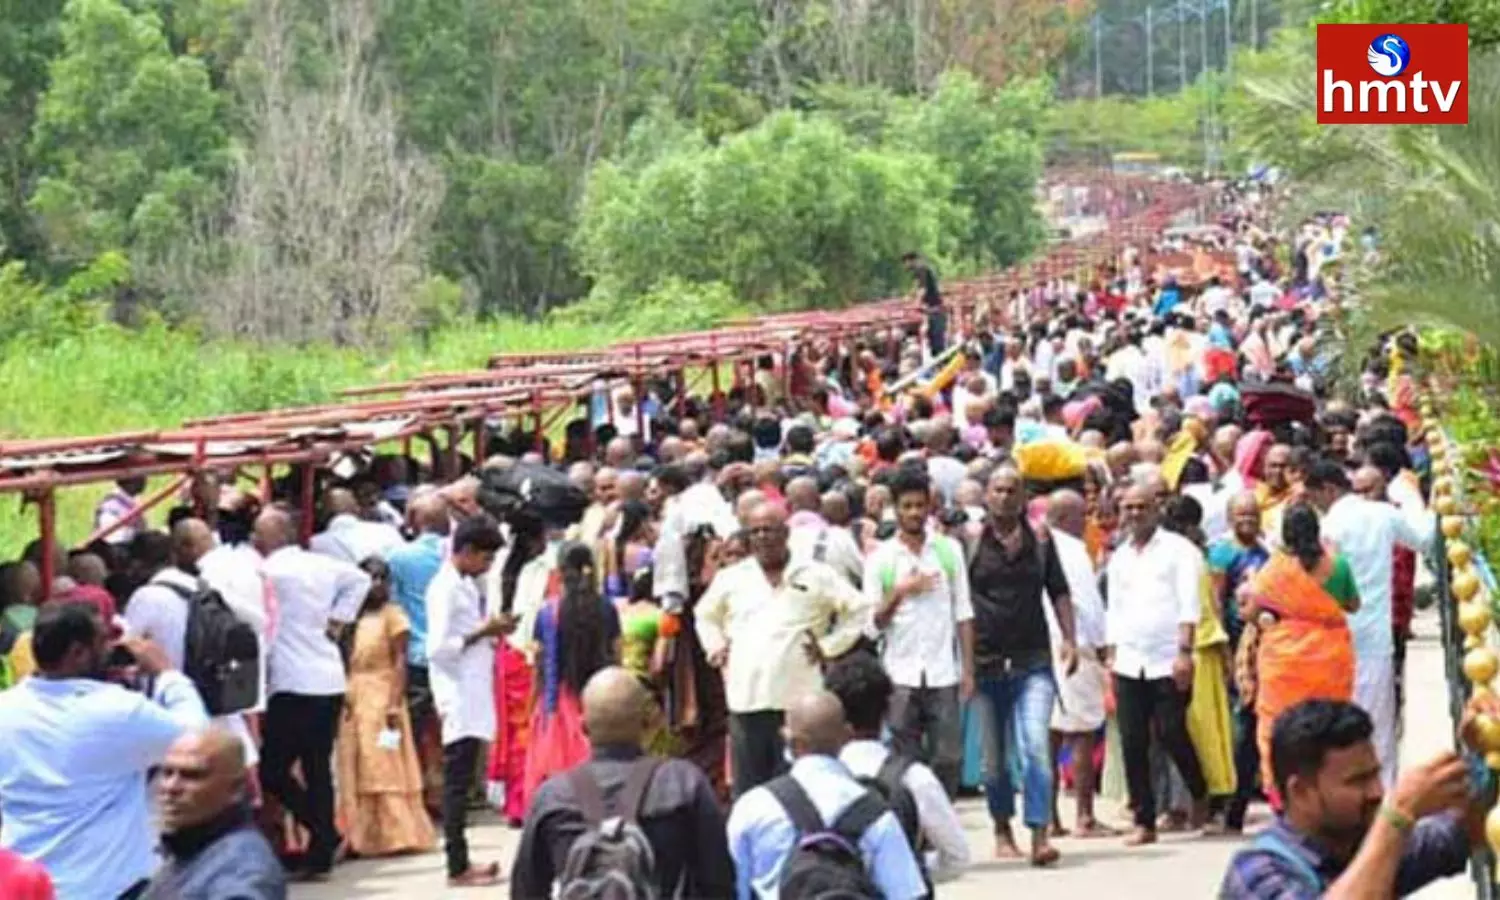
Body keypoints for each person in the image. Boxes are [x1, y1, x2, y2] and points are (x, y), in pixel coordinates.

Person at [0, 603, 208, 900]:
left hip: (26, 884)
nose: (111, 649)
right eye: (102, 641)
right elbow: (196, 742)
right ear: (77, 653)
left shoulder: (5, 709)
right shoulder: (116, 710)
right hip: (108, 886)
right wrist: (168, 675)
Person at [1219, 699, 1485, 898]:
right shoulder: (1257, 873)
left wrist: (1484, 754)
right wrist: (1398, 814)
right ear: (1300, 791)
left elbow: (1466, 829)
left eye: (1375, 775)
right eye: (1358, 781)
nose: (1377, 792)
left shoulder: (1355, 845)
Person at [696, 501, 872, 798]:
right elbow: (705, 615)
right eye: (756, 532)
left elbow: (859, 610)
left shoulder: (815, 574)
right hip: (747, 703)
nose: (763, 537)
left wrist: (829, 647)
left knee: (799, 792)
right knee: (750, 793)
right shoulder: (733, 577)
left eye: (770, 530)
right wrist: (715, 645)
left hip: (799, 704)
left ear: (786, 533)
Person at [509, 667, 734, 899]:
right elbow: (718, 882)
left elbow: (526, 890)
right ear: (648, 721)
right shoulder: (684, 784)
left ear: (584, 726)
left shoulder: (553, 796)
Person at [966, 465, 1076, 864]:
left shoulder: (1042, 541)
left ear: (1024, 496)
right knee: (994, 761)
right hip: (986, 662)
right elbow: (959, 603)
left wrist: (1070, 640)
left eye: (1013, 490)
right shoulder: (969, 541)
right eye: (998, 490)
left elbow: (1059, 591)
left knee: (1036, 748)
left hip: (1033, 661)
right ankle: (1001, 828)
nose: (1005, 497)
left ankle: (1039, 834)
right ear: (986, 496)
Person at [255, 507, 372, 880]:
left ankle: (323, 833)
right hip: (327, 677)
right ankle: (322, 843)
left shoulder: (267, 572)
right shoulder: (322, 565)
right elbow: (360, 579)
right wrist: (339, 619)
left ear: (273, 537)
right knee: (317, 766)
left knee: (273, 770)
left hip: (291, 682)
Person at [1303, 458, 1433, 788]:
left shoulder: (1328, 527)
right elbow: (1426, 538)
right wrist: (1412, 498)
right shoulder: (1383, 514)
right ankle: (1383, 805)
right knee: (1380, 731)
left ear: (1328, 490)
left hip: (1333, 640)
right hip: (1374, 638)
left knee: (1337, 731)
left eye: (1313, 496)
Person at [726, 691, 927, 900]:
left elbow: (734, 889)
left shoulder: (753, 807)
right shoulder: (877, 814)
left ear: (790, 741)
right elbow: (906, 893)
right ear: (847, 735)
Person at [1105, 479, 1210, 846]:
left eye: (1142, 507)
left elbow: (1188, 603)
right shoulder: (1119, 555)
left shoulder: (1178, 551)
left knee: (1171, 732)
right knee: (1133, 741)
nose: (1135, 514)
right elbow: (1114, 608)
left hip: (1169, 658)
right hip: (1130, 659)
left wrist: (1185, 650)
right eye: (1128, 508)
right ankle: (1144, 820)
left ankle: (1199, 793)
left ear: (1156, 509)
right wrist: (1112, 652)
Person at [863, 465, 974, 797]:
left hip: (943, 672)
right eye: (907, 506)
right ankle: (911, 833)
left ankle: (941, 828)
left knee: (948, 757)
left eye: (919, 505)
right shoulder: (881, 559)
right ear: (895, 509)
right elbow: (872, 625)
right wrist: (899, 591)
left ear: (930, 507)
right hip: (900, 675)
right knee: (903, 761)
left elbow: (963, 612)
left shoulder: (947, 551)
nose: (914, 513)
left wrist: (968, 669)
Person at [1243, 503, 1359, 800]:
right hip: (1330, 655)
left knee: (1278, 726)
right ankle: (1332, 788)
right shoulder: (1338, 565)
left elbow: (1250, 611)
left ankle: (1284, 796)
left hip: (1283, 659)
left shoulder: (1273, 570)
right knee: (1329, 726)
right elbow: (1353, 605)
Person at [825, 652, 971, 886]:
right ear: (886, 710)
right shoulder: (915, 778)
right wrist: (907, 870)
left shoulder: (811, 781)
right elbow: (957, 857)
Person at [333, 557, 437, 857]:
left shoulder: (393, 615)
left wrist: (394, 702)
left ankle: (397, 834)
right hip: (352, 699)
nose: (376, 584)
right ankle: (357, 835)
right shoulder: (347, 618)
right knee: (356, 765)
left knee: (385, 764)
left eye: (382, 578)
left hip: (383, 698)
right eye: (370, 578)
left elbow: (400, 662)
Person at [427, 514, 509, 887]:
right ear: (468, 551)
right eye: (486, 559)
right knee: (457, 781)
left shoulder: (464, 585)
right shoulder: (443, 588)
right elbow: (438, 648)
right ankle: (456, 864)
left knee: (462, 777)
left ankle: (461, 859)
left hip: (472, 689)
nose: (487, 567)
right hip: (457, 693)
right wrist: (483, 631)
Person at [522, 541, 622, 811]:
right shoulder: (606, 608)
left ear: (560, 572)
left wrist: (535, 706)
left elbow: (541, 664)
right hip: (599, 696)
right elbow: (616, 653)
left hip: (558, 700)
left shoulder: (547, 613)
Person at [1043, 489, 1114, 837]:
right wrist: (1102, 646)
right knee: (1083, 732)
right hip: (1075, 647)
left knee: (1050, 734)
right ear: (1068, 518)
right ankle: (1085, 817)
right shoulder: (1071, 550)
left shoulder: (1035, 546)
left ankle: (1050, 817)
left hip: (1043, 648)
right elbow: (1087, 603)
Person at [145, 727, 286, 900]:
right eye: (167, 773)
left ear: (236, 788)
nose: (171, 787)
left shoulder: (241, 869)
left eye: (192, 775)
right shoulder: (189, 849)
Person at [383, 493, 450, 811]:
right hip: (454, 652)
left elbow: (392, 604)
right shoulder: (456, 553)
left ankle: (425, 790)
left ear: (413, 522)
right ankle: (451, 789)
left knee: (419, 728)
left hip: (416, 653)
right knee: (449, 724)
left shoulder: (399, 558)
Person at [904, 252, 946, 358]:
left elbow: (923, 289)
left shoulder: (921, 269)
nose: (905, 266)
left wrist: (915, 303)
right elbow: (916, 288)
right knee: (933, 342)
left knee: (937, 344)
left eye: (906, 262)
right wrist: (909, 297)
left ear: (911, 261)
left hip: (936, 310)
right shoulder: (919, 271)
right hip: (932, 310)